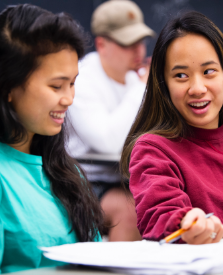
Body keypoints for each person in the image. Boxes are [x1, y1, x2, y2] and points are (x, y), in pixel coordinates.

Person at [120, 11, 223, 245]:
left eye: (209, 71)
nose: (197, 88)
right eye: (181, 75)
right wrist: (186, 223)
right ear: (164, 85)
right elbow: (159, 217)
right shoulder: (153, 149)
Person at [0, 4, 104, 273]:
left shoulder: (65, 172)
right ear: (7, 86)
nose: (69, 99)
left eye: (72, 83)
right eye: (56, 86)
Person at [67, 0, 155, 241]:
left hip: (125, 178)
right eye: (128, 43)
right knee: (129, 209)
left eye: (141, 41)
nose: (138, 51)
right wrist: (141, 89)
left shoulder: (135, 78)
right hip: (81, 180)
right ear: (101, 44)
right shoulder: (81, 79)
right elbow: (109, 143)